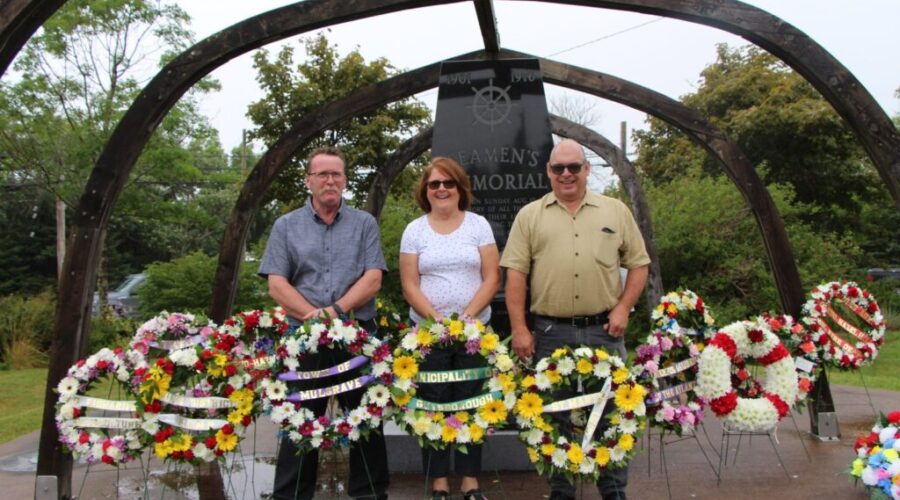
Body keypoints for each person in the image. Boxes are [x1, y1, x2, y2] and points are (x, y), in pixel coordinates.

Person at [500, 139, 650, 500]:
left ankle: (613, 490)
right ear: (548, 172)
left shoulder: (615, 211)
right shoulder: (530, 215)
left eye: (573, 167)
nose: (566, 174)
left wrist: (623, 308)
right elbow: (515, 276)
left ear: (587, 169)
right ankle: (561, 491)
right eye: (558, 168)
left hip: (605, 330)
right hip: (551, 332)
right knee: (553, 418)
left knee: (614, 414)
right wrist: (519, 328)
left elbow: (639, 264)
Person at [258, 146, 389, 500]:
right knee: (299, 422)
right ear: (308, 181)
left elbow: (373, 277)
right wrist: (312, 317)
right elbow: (276, 283)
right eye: (322, 174)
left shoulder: (364, 223)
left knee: (365, 418)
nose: (330, 180)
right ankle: (291, 495)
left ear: (345, 180)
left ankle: (369, 494)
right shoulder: (286, 226)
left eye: (336, 174)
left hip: (355, 337)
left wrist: (334, 312)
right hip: (302, 339)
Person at [399, 157, 500, 500]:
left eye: (448, 183)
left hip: (473, 335)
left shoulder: (478, 226)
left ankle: (470, 482)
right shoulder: (414, 230)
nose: (441, 189)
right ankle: (439, 483)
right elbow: (410, 284)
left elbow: (492, 277)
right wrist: (437, 322)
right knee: (432, 406)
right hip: (428, 336)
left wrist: (465, 320)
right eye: (434, 184)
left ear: (460, 188)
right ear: (425, 191)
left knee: (472, 403)